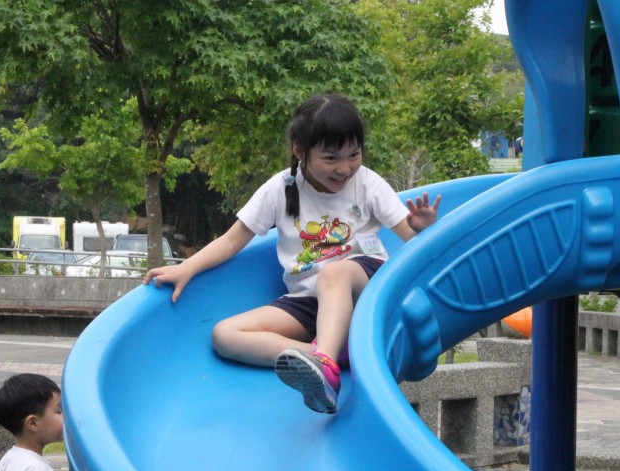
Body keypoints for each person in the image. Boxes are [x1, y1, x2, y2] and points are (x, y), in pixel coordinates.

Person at [145, 94, 441, 414]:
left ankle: (326, 364)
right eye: (331, 158)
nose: (345, 168)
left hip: (364, 288)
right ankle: (327, 357)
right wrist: (186, 268)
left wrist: (421, 228)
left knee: (333, 273)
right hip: (310, 300)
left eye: (354, 154)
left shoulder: (367, 184)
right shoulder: (280, 189)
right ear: (301, 151)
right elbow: (232, 240)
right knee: (224, 335)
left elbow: (412, 244)